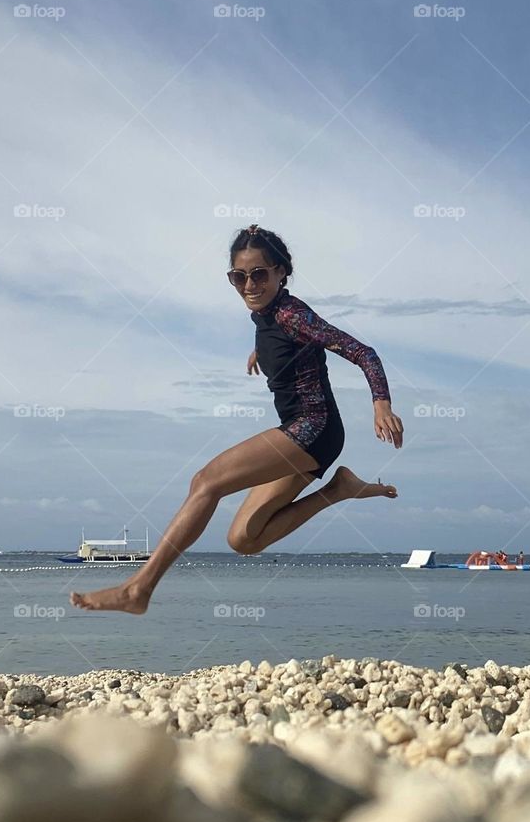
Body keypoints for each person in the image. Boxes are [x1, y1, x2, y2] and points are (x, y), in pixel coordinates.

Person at [71, 225, 403, 613]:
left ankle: (137, 590)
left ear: (281, 272)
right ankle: (339, 489)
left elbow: (363, 352)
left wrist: (381, 403)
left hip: (312, 427)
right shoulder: (267, 314)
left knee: (206, 483)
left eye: (259, 274)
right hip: (312, 436)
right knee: (244, 540)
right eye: (238, 276)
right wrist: (260, 352)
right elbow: (276, 334)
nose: (249, 284)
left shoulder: (293, 315)